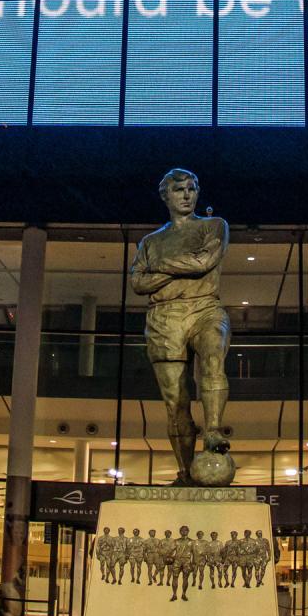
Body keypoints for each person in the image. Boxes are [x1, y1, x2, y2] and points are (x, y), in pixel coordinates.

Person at [130, 168, 231, 481]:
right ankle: (186, 471)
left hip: (205, 308)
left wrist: (158, 269)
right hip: (164, 316)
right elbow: (138, 282)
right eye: (179, 190)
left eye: (191, 189)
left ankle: (213, 430)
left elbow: (204, 263)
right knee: (175, 401)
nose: (187, 195)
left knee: (213, 352)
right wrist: (181, 269)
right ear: (166, 196)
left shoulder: (214, 225)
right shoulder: (151, 241)